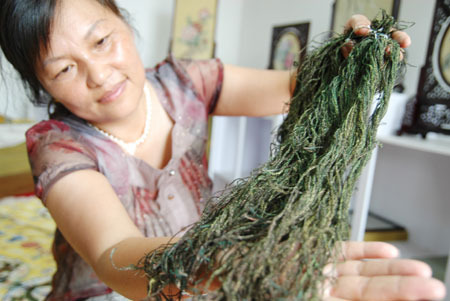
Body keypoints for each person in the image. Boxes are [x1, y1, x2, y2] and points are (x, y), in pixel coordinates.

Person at [0, 0, 445, 300]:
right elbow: (115, 255)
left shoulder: (184, 82)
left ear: (122, 19)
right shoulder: (56, 144)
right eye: (63, 69)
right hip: (132, 285)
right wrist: (218, 266)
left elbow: (297, 86)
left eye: (102, 41)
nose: (98, 74)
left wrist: (342, 60)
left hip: (205, 261)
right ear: (40, 84)